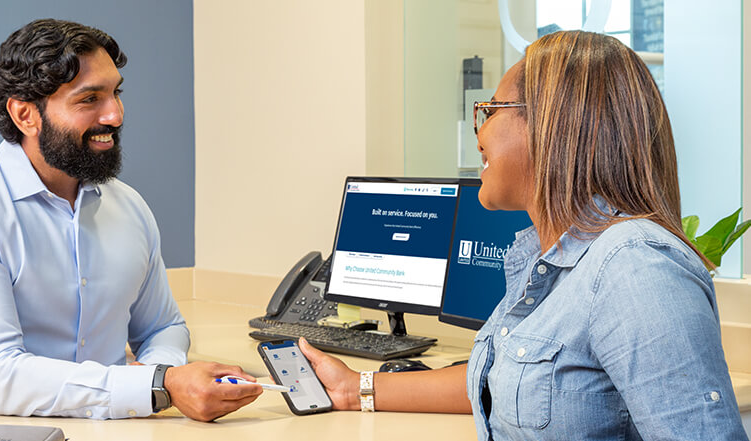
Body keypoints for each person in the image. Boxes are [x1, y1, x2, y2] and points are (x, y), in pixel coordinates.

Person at [300, 30, 749, 440]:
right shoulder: (544, 256)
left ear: (555, 125)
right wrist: (355, 388)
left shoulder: (634, 268)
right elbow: (507, 379)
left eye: (490, 111)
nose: (480, 135)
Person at [0, 19, 260, 422]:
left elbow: (163, 327)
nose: (114, 115)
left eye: (116, 93)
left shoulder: (127, 207)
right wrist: (156, 388)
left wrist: (157, 374)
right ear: (25, 114)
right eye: (89, 98)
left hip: (112, 426)